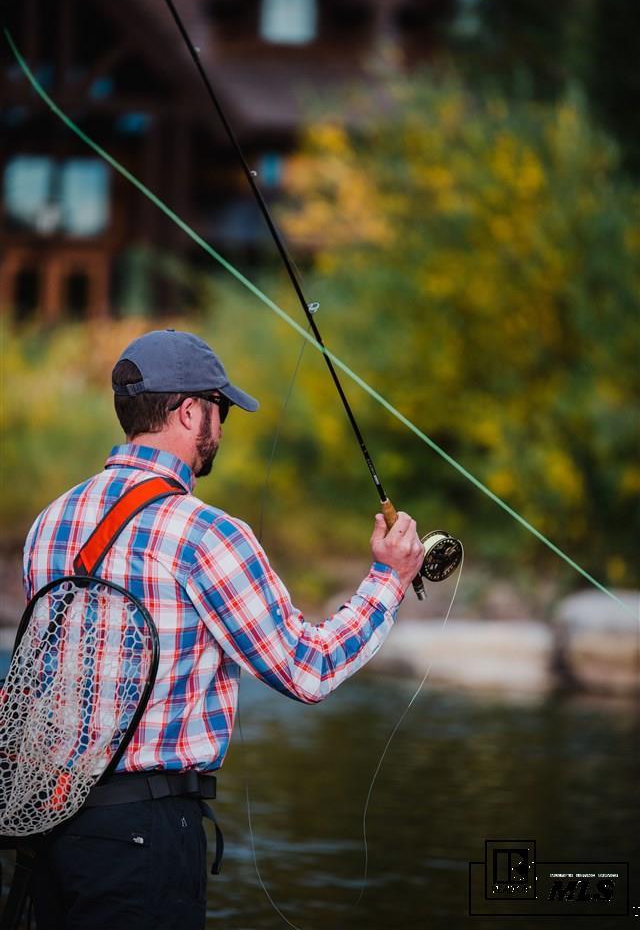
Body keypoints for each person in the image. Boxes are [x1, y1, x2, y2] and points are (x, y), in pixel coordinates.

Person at [22, 329, 424, 930]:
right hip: (145, 833)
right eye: (222, 409)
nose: (222, 427)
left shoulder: (50, 521)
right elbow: (306, 670)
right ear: (190, 412)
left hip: (49, 830)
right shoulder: (205, 533)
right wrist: (388, 581)